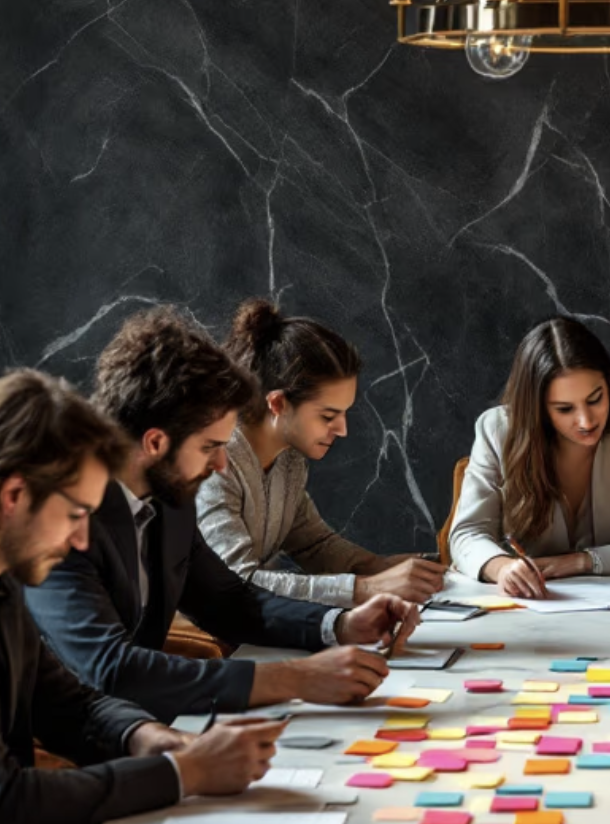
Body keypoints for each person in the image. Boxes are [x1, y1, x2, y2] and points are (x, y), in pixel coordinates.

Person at [0, 371, 287, 824]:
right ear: (13, 496)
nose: (82, 540)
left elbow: (64, 702)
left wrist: (146, 737)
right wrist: (186, 774)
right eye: (77, 514)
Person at [26, 309, 417, 722]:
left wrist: (340, 625)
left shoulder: (169, 501)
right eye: (210, 446)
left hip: (146, 723)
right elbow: (110, 670)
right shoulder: (63, 518)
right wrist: (294, 678)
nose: (221, 465)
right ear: (156, 442)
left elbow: (231, 602)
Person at [197, 299, 446, 608]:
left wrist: (376, 566)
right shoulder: (213, 461)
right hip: (200, 635)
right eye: (328, 416)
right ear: (278, 404)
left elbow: (313, 543)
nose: (342, 430)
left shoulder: (289, 460)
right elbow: (237, 581)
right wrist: (365, 588)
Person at [447, 316, 610, 597]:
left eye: (595, 399)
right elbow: (466, 535)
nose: (586, 420)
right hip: (524, 607)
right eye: (564, 409)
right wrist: (502, 568)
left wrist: (583, 562)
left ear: (609, 384)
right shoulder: (497, 430)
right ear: (537, 408)